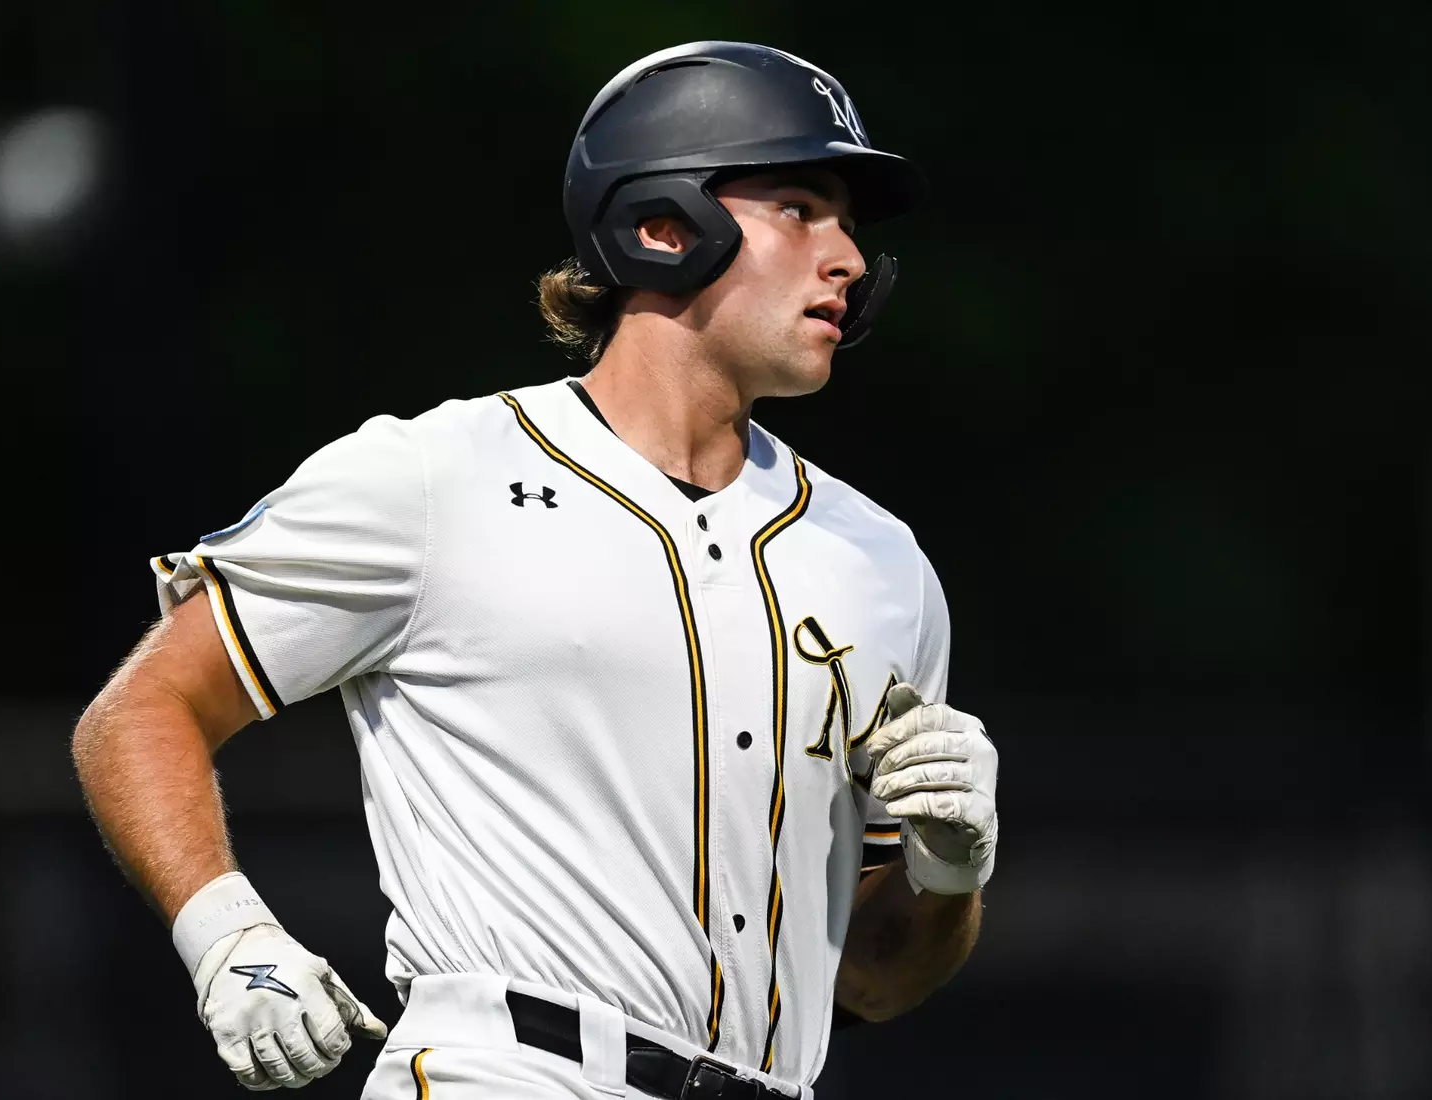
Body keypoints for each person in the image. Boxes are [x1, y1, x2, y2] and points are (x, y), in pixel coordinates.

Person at [72, 40, 999, 1100]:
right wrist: (226, 932)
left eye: (849, 225)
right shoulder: (438, 476)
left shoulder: (877, 560)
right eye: (800, 206)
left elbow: (875, 980)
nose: (844, 256)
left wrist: (947, 874)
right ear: (661, 223)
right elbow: (143, 708)